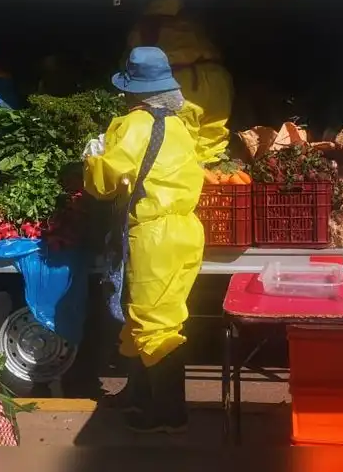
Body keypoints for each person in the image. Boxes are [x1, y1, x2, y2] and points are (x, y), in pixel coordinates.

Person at [83, 46, 206, 433]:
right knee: (147, 316)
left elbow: (104, 184)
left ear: (134, 91)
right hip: (184, 231)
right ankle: (139, 397)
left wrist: (92, 159)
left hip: (153, 235)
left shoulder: (134, 125)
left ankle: (169, 412)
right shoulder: (181, 127)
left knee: (155, 324)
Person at [127, 0, 234, 164]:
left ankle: (191, 184)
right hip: (217, 80)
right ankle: (215, 181)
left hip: (180, 84)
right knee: (213, 139)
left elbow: (136, 63)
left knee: (180, 142)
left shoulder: (144, 27)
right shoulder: (194, 19)